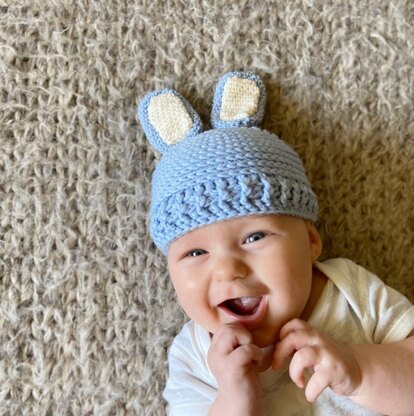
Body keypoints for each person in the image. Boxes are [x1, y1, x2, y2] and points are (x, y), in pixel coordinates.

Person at [137, 71, 414, 416]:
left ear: (311, 241)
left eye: (255, 237)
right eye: (196, 252)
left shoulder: (350, 291)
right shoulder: (195, 355)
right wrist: (234, 397)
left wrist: (359, 370)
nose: (227, 270)